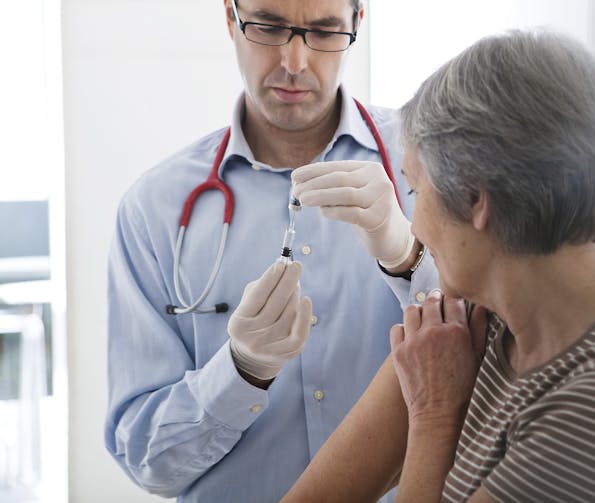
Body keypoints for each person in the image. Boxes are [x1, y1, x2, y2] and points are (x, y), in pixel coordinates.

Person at [283, 30, 595, 502]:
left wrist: (433, 416)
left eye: (414, 191)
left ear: (476, 199)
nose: (415, 224)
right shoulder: (482, 315)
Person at [104, 0, 436, 501]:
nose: (295, 62)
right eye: (269, 26)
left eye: (324, 31)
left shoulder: (427, 164)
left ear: (357, 23)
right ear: (230, 18)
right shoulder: (153, 210)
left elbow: (495, 357)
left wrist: (410, 260)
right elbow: (148, 463)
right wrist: (238, 372)